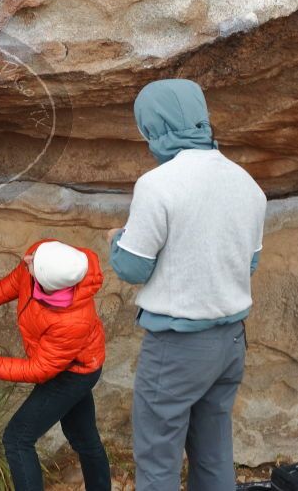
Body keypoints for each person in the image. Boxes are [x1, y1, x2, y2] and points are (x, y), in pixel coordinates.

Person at [106, 79, 267, 491]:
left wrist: (116, 241)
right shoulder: (247, 184)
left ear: (153, 127)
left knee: (158, 461)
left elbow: (133, 267)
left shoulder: (158, 184)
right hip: (230, 342)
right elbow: (247, 262)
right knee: (214, 456)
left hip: (177, 348)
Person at [0, 239, 111, 491]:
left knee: (18, 438)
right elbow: (17, 281)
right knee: (83, 437)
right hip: (59, 361)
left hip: (74, 373)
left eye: (34, 263)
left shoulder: (73, 320)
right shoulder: (47, 256)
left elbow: (39, 370)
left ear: (47, 283)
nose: (27, 259)